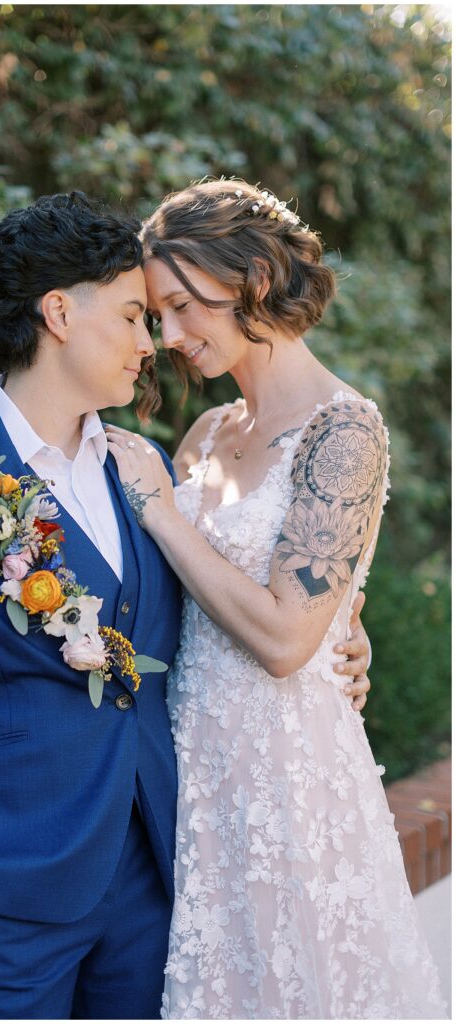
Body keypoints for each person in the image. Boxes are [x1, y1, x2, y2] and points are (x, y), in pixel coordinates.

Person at [0, 191, 371, 1021]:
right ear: (59, 314)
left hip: (153, 887)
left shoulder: (140, 466)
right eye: (134, 317)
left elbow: (235, 602)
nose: (154, 347)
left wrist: (345, 637)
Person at [106, 178, 446, 1019]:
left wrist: (155, 504)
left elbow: (288, 640)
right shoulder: (210, 432)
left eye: (186, 306)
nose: (171, 335)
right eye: (159, 313)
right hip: (197, 774)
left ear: (253, 276)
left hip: (291, 783)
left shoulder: (345, 432)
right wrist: (348, 617)